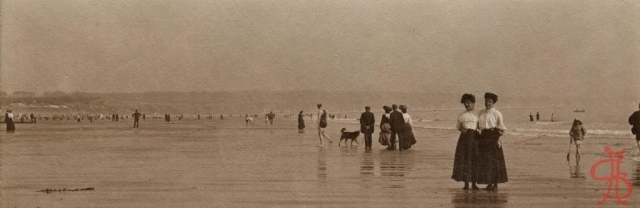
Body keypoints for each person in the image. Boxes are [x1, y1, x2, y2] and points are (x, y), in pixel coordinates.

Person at [477, 92, 508, 191]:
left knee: (495, 161)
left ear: (493, 103)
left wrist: (499, 139)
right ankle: (489, 183)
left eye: (490, 102)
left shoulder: (497, 113)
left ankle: (495, 184)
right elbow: (478, 126)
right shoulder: (480, 113)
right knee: (486, 161)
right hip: (483, 137)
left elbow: (501, 128)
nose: (488, 103)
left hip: (493, 136)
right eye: (486, 101)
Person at [452, 94, 480, 190]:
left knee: (474, 159)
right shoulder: (461, 115)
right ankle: (466, 184)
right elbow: (458, 126)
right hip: (464, 139)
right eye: (465, 103)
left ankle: (474, 184)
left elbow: (481, 127)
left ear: (473, 103)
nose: (467, 105)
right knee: (464, 160)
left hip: (475, 138)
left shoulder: (478, 114)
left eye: (468, 103)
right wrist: (462, 129)